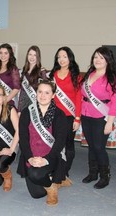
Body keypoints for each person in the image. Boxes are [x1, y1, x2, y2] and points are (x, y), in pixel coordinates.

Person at [17, 79, 68, 206]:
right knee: (37, 194)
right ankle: (52, 182)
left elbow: (60, 142)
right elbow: (23, 137)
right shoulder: (27, 112)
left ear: (53, 95)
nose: (43, 96)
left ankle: (52, 188)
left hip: (51, 156)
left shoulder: (59, 115)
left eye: (47, 93)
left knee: (35, 174)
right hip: (32, 155)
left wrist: (46, 159)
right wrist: (29, 157)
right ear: (36, 93)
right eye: (40, 92)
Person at [80, 47, 116, 189]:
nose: (97, 60)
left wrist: (110, 122)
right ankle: (93, 173)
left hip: (101, 117)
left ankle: (105, 176)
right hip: (85, 115)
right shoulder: (89, 74)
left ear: (107, 61)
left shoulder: (112, 79)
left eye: (101, 58)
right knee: (91, 146)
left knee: (98, 147)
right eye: (95, 57)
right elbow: (82, 95)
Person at [49, 46, 82, 185]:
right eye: (59, 57)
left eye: (64, 56)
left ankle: (64, 171)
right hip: (54, 116)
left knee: (68, 145)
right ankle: (55, 167)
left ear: (70, 58)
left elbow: (78, 98)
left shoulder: (76, 76)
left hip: (69, 117)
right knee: (54, 143)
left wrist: (77, 118)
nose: (61, 59)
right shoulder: (53, 75)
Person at [0, 43, 20, 108]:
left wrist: (4, 101)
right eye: (1, 53)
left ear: (10, 54)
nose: (3, 55)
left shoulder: (13, 69)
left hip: (8, 103)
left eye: (6, 53)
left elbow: (16, 88)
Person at [18, 45, 48, 114]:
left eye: (35, 55)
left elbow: (45, 90)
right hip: (23, 107)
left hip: (35, 107)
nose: (32, 57)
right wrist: (19, 110)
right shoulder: (23, 72)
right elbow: (21, 93)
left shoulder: (41, 71)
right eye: (30, 54)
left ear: (38, 57)